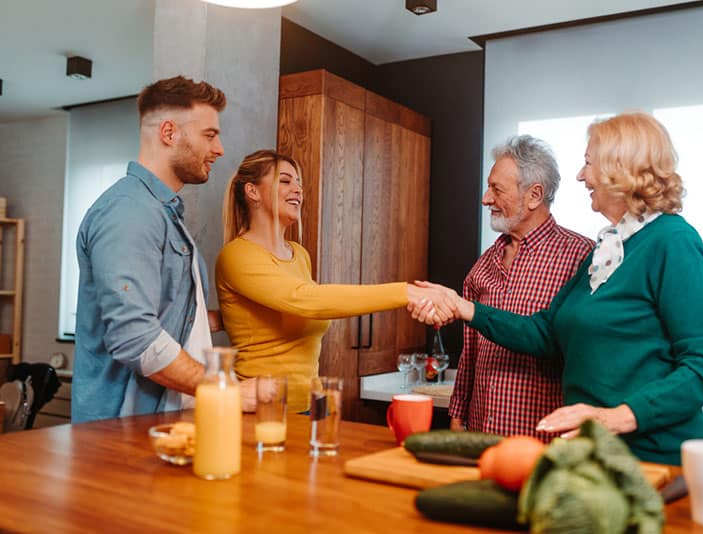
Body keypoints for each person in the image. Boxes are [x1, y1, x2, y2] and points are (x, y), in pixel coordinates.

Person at [415, 112, 703, 465]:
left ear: (620, 169)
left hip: (651, 459)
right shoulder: (607, 250)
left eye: (588, 163)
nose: (581, 176)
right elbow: (547, 332)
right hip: (592, 455)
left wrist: (612, 417)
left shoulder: (674, 243)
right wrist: (463, 307)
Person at [72, 75, 256, 423]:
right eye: (210, 135)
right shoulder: (129, 211)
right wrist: (225, 388)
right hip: (123, 435)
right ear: (169, 133)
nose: (220, 149)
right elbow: (135, 337)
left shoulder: (162, 212)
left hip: (163, 425)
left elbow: (171, 314)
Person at [215, 149, 455, 412]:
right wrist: (406, 292)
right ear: (253, 191)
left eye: (299, 183)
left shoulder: (299, 255)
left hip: (311, 406)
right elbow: (305, 299)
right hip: (261, 410)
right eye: (285, 181)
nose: (297, 190)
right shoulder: (237, 255)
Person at [449, 135, 593, 439]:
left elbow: (586, 355)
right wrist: (458, 414)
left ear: (534, 195)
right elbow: (470, 353)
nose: (485, 198)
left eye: (496, 189)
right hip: (480, 438)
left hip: (546, 444)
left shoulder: (581, 257)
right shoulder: (483, 265)